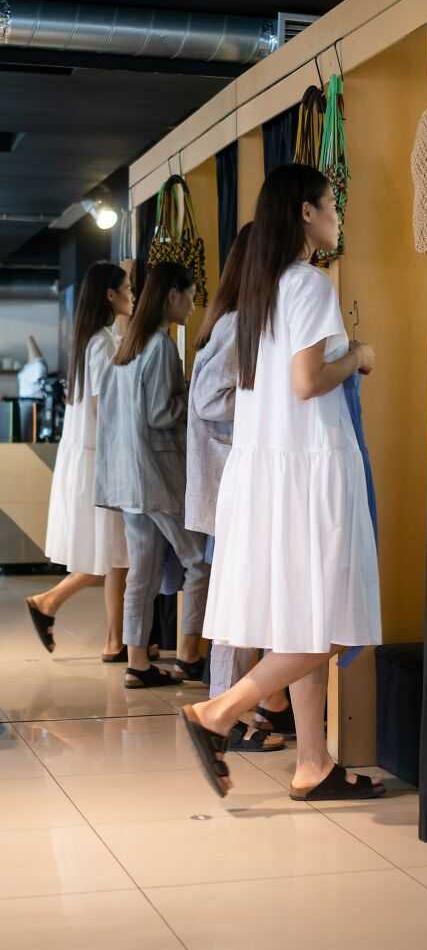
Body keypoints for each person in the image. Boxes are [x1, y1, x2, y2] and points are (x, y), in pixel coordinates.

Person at [181, 164, 384, 800]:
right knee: (336, 626)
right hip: (310, 466)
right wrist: (357, 358)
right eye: (332, 204)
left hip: (266, 471)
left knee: (302, 619)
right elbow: (306, 383)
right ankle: (217, 712)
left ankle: (313, 764)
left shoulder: (258, 293)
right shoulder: (311, 285)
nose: (337, 215)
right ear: (305, 212)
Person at [186, 224, 291, 746]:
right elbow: (209, 400)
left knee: (250, 598)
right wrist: (265, 405)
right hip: (233, 481)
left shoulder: (234, 319)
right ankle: (226, 717)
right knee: (237, 603)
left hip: (237, 480)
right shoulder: (235, 324)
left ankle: (257, 705)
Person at [94, 261, 210, 689]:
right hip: (158, 474)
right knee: (199, 562)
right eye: (190, 293)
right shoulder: (161, 347)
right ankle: (188, 656)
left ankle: (138, 663)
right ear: (172, 295)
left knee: (140, 572)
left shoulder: (127, 345)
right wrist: (192, 394)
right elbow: (163, 413)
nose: (193, 302)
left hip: (129, 477)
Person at [26, 262, 133, 659]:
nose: (132, 294)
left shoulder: (91, 339)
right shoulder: (102, 342)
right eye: (127, 287)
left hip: (86, 455)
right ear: (110, 294)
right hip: (98, 458)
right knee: (112, 552)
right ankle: (53, 604)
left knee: (112, 553)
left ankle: (113, 639)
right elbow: (101, 407)